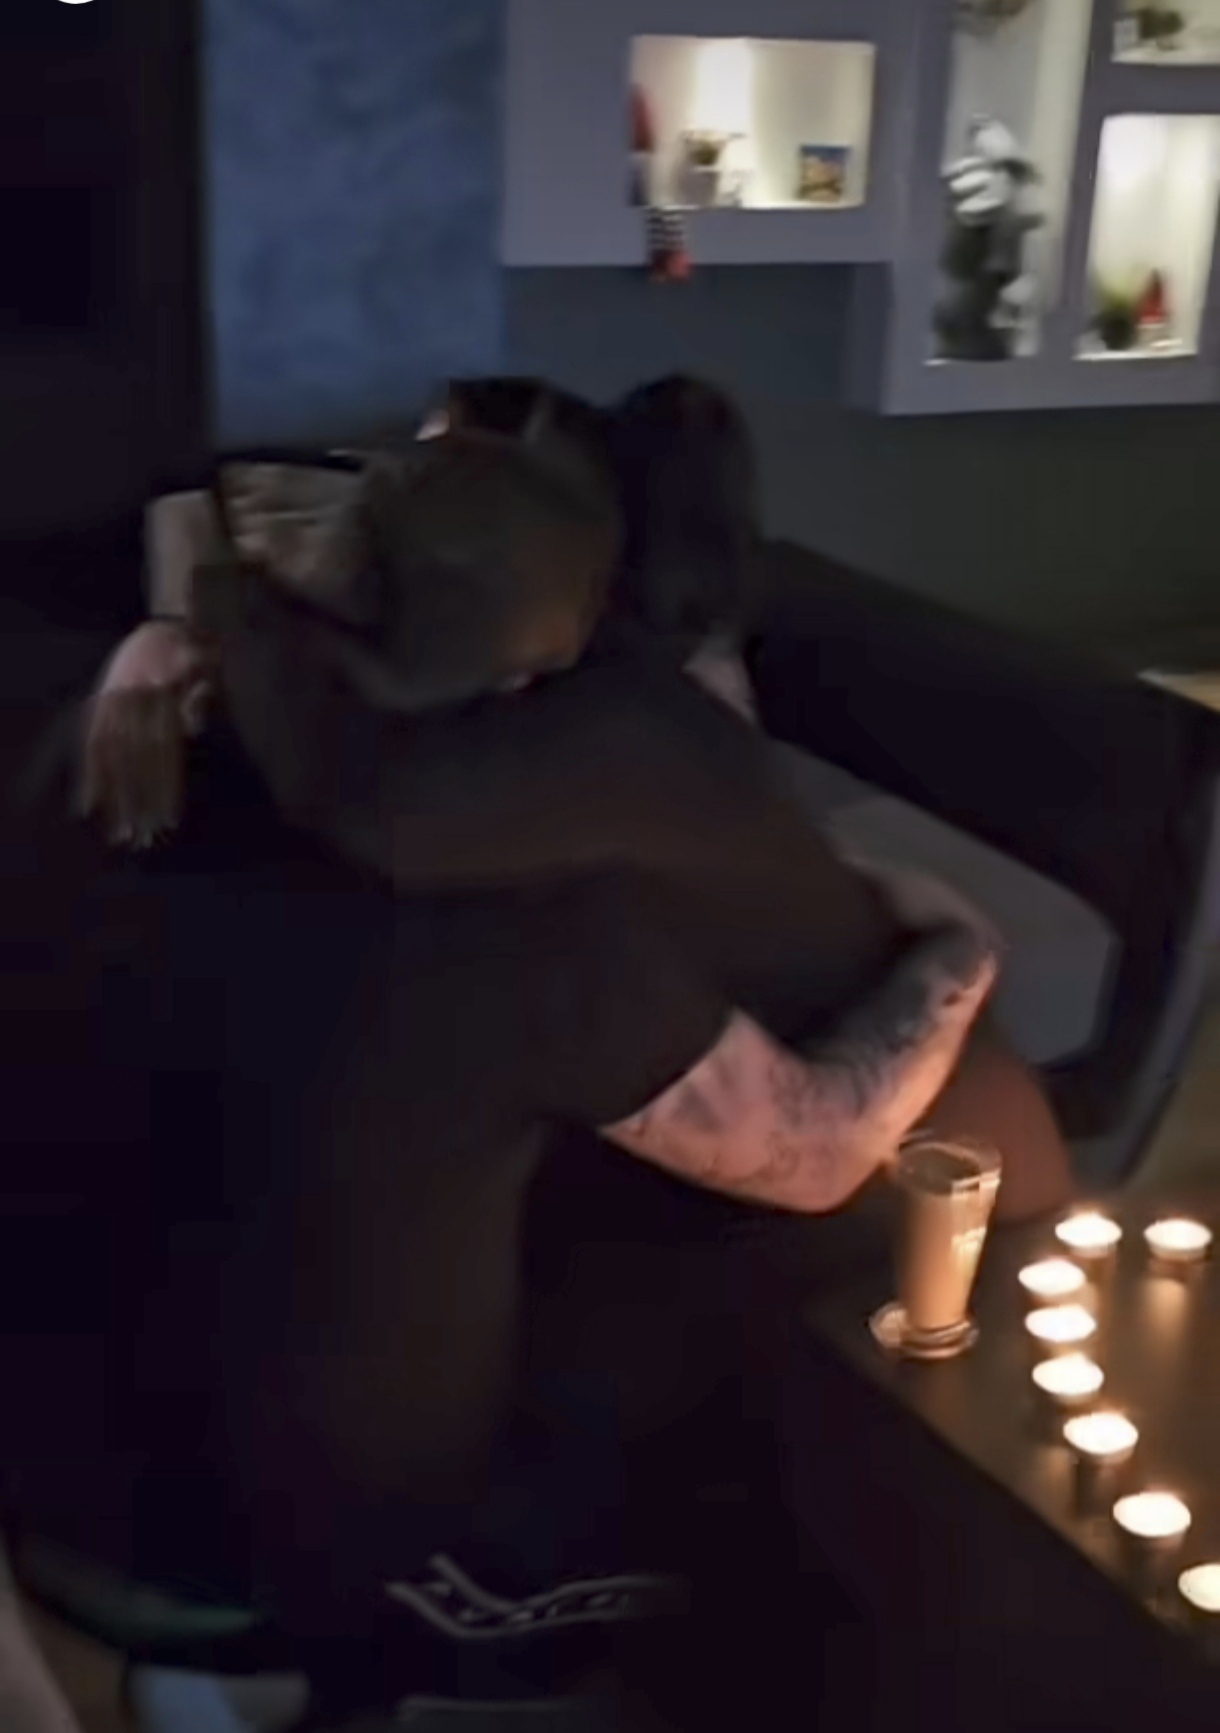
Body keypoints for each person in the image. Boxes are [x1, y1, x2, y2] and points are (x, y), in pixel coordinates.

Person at [10, 430, 998, 1725]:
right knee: (772, 1538)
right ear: (555, 673)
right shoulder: (543, 934)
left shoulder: (109, 731)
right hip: (267, 1549)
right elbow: (819, 1151)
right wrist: (957, 951)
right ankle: (294, 1675)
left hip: (39, 1415)